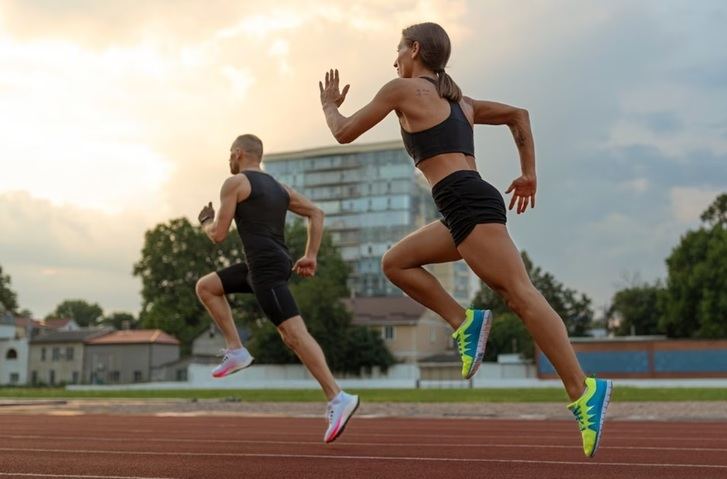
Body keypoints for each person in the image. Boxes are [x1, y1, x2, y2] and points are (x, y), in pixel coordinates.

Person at [318, 22, 612, 457]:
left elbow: (343, 132)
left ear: (415, 50)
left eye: (398, 51)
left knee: (520, 295)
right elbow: (519, 115)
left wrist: (328, 105)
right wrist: (528, 172)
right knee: (395, 263)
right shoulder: (462, 103)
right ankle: (464, 322)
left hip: (464, 200)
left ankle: (583, 390)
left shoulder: (401, 90)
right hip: (462, 204)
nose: (394, 60)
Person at [194, 134, 359, 443]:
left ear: (240, 153)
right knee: (206, 287)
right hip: (264, 265)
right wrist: (310, 255)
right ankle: (236, 349)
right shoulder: (280, 188)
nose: (229, 159)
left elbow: (218, 234)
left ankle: (338, 397)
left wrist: (205, 221)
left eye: (230, 154)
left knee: (294, 335)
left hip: (266, 268)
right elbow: (316, 213)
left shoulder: (235, 184)